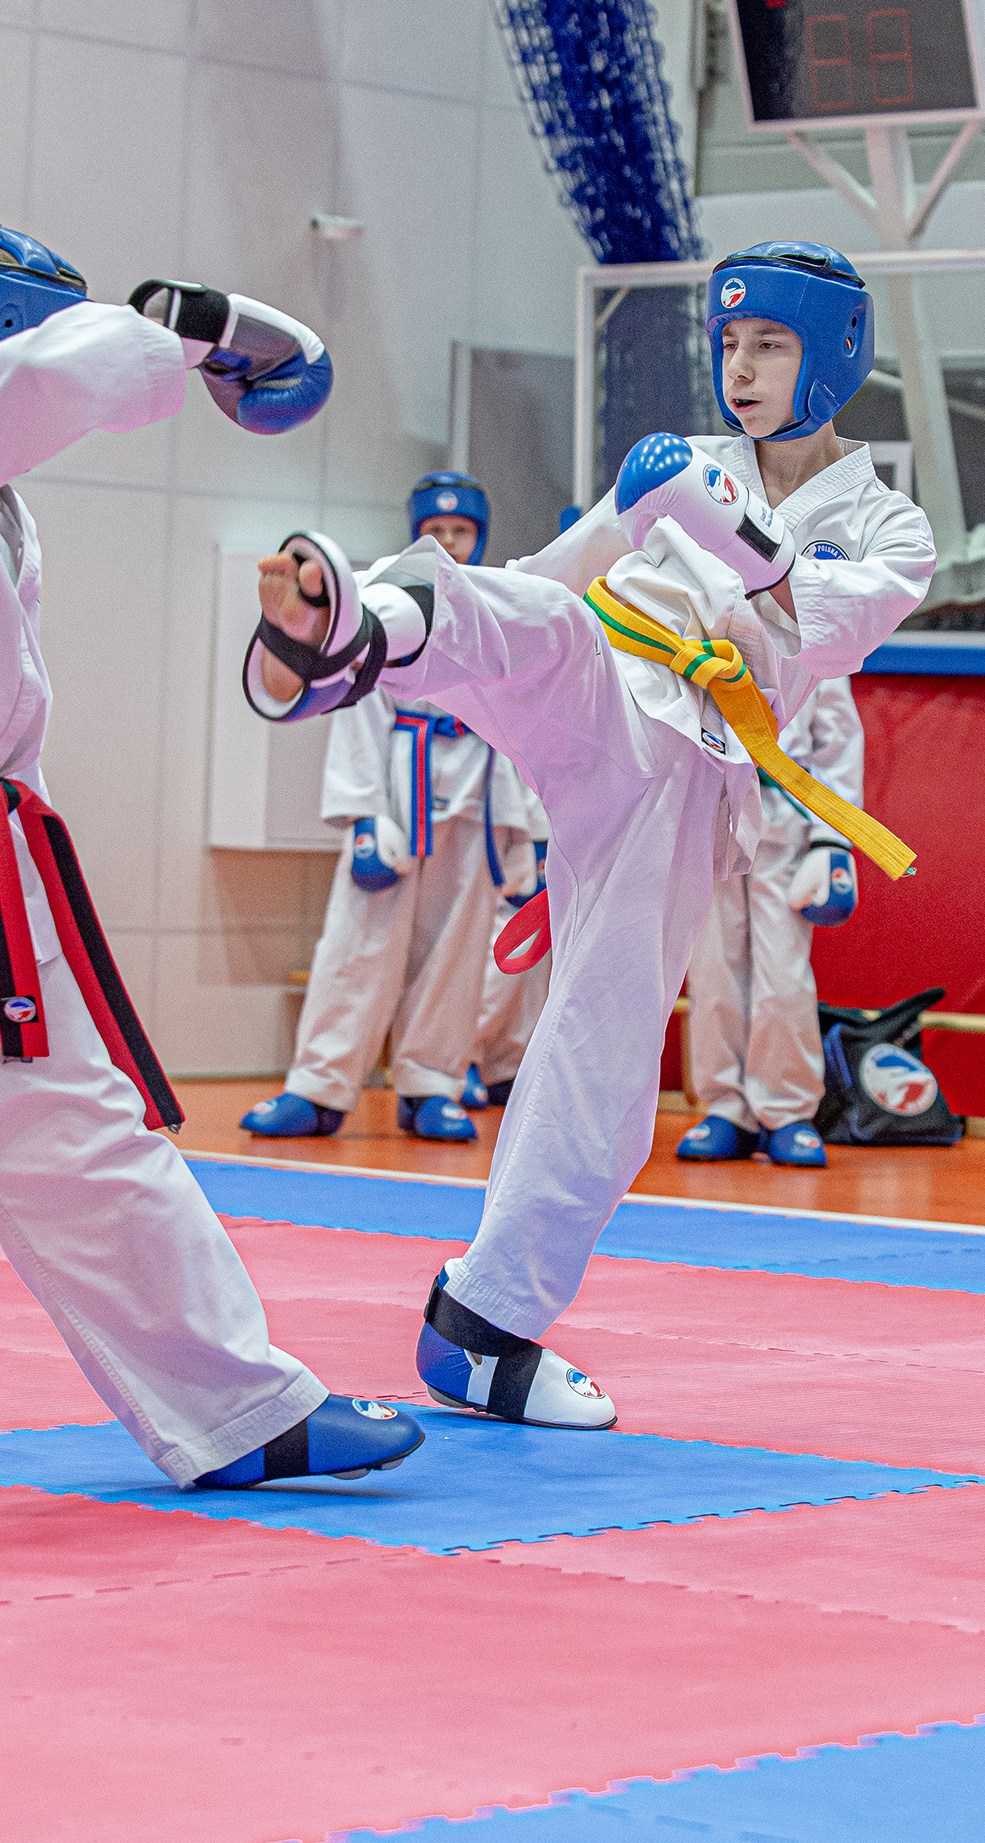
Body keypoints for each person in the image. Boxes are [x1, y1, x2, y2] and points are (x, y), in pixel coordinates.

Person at [0, 220, 424, 1511]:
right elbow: (43, 379)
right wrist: (202, 330)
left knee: (81, 1135)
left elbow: (33, 389)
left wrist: (195, 341)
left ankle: (237, 1405)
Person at [241, 242, 935, 1433]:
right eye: (726, 344)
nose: (738, 368)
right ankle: (355, 631)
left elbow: (820, 630)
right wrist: (651, 509)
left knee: (601, 1052)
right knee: (531, 616)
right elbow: (553, 575)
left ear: (833, 355)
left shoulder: (888, 525)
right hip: (604, 683)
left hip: (686, 766)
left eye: (768, 345)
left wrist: (724, 528)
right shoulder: (682, 463)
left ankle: (483, 1324)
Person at [240, 472, 538, 1145]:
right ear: (416, 532)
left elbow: (523, 722)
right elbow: (354, 702)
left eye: (461, 531)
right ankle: (317, 1086)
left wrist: (527, 832)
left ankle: (431, 1084)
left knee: (456, 953)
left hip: (479, 797)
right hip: (400, 792)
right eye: (436, 530)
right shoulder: (383, 592)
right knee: (358, 943)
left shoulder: (498, 604)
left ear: (481, 536)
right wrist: (363, 815)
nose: (449, 542)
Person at [679, 676, 864, 1167]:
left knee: (783, 975)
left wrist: (833, 840)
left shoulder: (815, 644)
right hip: (708, 812)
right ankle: (726, 1106)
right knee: (712, 970)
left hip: (786, 822)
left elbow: (838, 742)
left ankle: (787, 1110)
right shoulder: (693, 631)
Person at [465, 783, 551, 1112]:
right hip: (520, 823)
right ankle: (463, 1057)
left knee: (541, 956)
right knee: (512, 943)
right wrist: (536, 832)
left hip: (564, 825)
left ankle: (505, 1065)